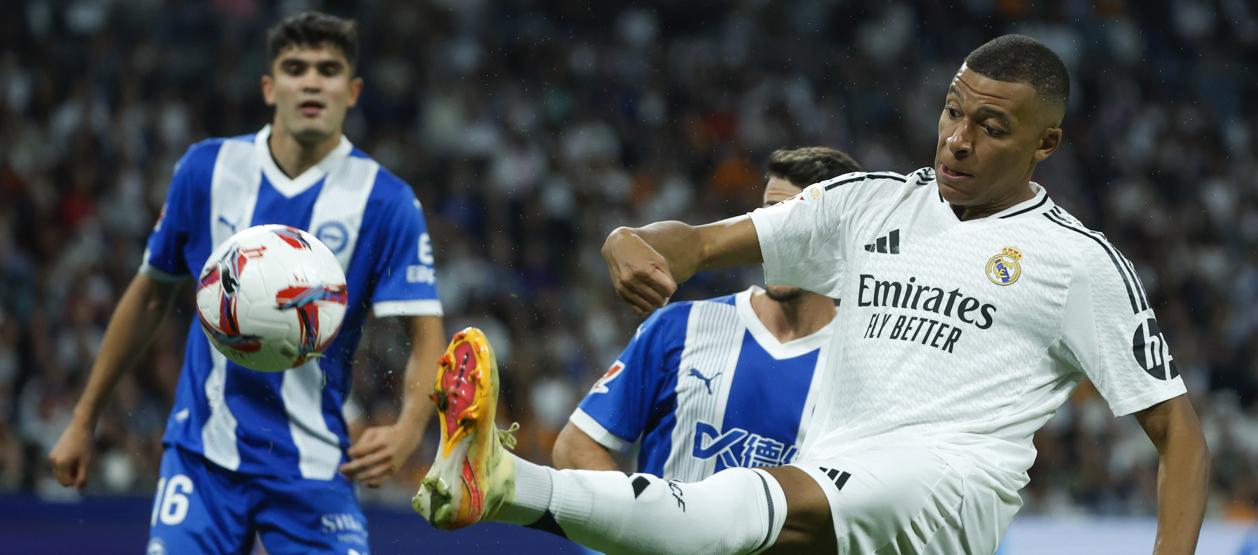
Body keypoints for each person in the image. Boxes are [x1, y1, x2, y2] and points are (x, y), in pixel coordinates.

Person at [413, 35, 1209, 555]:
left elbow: (1178, 432)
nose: (958, 140)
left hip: (945, 488)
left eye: (992, 127)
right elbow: (698, 241)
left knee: (748, 501)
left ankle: (505, 481)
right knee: (730, 522)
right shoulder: (870, 205)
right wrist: (629, 240)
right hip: (840, 473)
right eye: (952, 111)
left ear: (1046, 142)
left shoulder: (1077, 262)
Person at [47, 12, 445, 554]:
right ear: (268, 87)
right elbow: (149, 296)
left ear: (352, 92)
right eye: (295, 68)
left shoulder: (386, 200)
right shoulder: (206, 170)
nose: (311, 82)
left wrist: (409, 428)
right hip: (202, 458)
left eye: (328, 70)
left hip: (314, 466)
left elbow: (426, 329)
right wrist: (83, 418)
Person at [552, 147, 860, 479]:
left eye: (795, 221)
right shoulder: (680, 327)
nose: (779, 237)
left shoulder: (860, 368)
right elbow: (575, 446)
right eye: (771, 217)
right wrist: (634, 509)